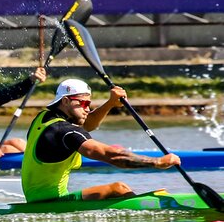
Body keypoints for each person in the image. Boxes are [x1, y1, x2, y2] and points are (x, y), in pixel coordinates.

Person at [21, 78, 181, 203]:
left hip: (38, 199)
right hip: (53, 202)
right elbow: (110, 155)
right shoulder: (65, 131)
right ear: (65, 101)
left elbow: (87, 123)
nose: (87, 109)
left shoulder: (42, 118)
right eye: (83, 103)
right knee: (118, 189)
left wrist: (110, 103)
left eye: (89, 104)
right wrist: (157, 162)